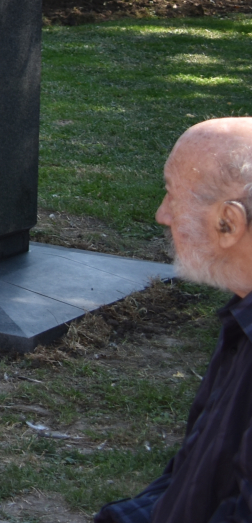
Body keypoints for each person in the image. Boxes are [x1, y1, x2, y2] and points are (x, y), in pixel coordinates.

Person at [97, 118, 252, 523]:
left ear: (228, 224)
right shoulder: (241, 318)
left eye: (171, 196)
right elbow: (193, 479)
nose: (161, 214)